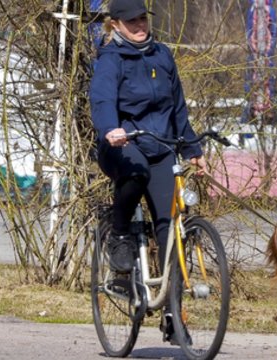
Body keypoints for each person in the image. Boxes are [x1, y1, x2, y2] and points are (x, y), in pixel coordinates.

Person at [89, 0, 203, 343]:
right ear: (116, 25)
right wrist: (110, 128)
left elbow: (177, 107)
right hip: (123, 145)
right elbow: (102, 99)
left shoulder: (162, 55)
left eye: (142, 18)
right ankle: (120, 234)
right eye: (131, 21)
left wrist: (192, 147)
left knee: (173, 233)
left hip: (162, 147)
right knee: (135, 172)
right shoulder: (111, 59)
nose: (139, 25)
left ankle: (173, 315)